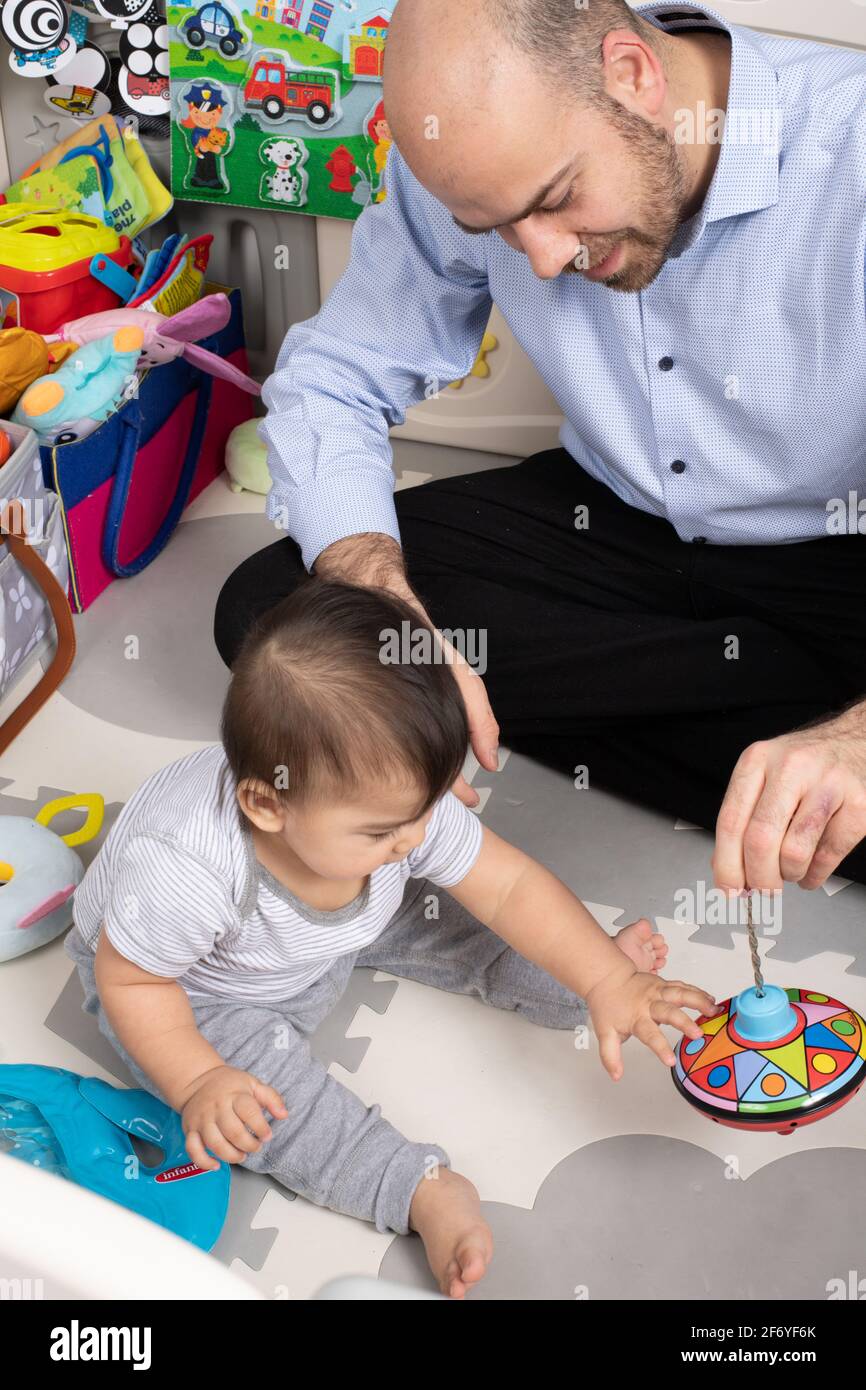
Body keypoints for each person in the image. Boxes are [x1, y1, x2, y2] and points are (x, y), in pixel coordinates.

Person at [214, 0, 866, 896]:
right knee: (281, 618)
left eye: (557, 200)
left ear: (633, 74)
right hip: (610, 523)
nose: (544, 259)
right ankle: (771, 754)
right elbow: (336, 376)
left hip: (838, 555)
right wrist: (383, 593)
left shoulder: (853, 150)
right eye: (499, 231)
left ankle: (791, 741)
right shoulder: (472, 163)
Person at [66, 581, 715, 1298]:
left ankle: (601, 989)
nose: (414, 837)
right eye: (383, 829)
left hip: (338, 913)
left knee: (467, 921)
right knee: (272, 1107)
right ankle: (420, 1190)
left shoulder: (390, 817)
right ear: (266, 803)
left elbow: (507, 887)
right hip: (198, 990)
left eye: (422, 811)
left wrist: (603, 977)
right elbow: (130, 981)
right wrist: (197, 1080)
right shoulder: (185, 867)